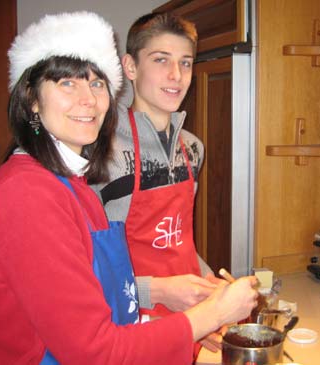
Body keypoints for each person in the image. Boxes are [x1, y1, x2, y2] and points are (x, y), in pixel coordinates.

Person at [0, 11, 258, 365]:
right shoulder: (26, 195)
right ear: (31, 100)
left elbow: (102, 299)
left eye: (97, 83)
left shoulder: (72, 186)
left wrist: (174, 299)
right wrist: (209, 316)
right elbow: (94, 351)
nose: (88, 99)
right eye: (67, 83)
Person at [91, 12, 223, 355]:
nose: (176, 76)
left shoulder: (193, 149)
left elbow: (180, 241)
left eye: (186, 63)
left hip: (188, 318)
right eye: (160, 60)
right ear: (130, 67)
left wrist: (212, 288)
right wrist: (161, 292)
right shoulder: (99, 155)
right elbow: (86, 272)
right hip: (129, 325)